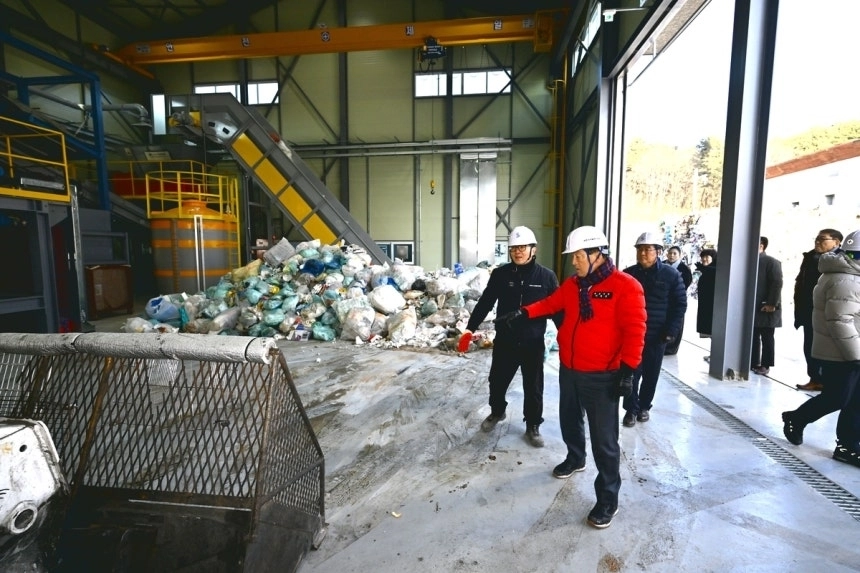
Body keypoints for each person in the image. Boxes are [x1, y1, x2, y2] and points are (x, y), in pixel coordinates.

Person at [513, 226, 646, 529]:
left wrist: (628, 371)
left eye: (577, 256)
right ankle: (576, 457)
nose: (573, 262)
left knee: (605, 441)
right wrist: (525, 312)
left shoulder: (625, 286)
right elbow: (551, 303)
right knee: (569, 420)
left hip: (602, 376)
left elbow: (636, 330)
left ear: (597, 254)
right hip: (570, 369)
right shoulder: (574, 286)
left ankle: (608, 499)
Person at [457, 226, 560, 448]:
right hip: (506, 341)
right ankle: (497, 411)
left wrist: (569, 337)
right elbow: (485, 302)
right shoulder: (501, 275)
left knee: (534, 387)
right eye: (513, 248)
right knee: (497, 381)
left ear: (533, 249)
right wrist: (469, 328)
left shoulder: (546, 277)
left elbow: (558, 310)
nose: (517, 252)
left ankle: (533, 424)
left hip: (533, 342)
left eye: (522, 247)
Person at [781, 229, 860, 468]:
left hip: (849, 349)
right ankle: (797, 418)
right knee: (839, 397)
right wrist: (856, 356)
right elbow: (840, 321)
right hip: (841, 352)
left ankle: (847, 446)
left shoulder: (850, 275)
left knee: (854, 400)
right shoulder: (845, 279)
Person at [621, 232, 687, 427]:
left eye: (648, 249)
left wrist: (671, 331)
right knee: (631, 374)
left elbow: (680, 305)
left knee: (651, 374)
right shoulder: (628, 275)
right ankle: (630, 410)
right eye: (640, 249)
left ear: (658, 251)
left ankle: (644, 407)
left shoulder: (671, 275)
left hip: (657, 335)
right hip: (632, 336)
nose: (643, 253)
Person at [793, 229, 843, 391]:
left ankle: (826, 381)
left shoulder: (841, 260)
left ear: (836, 242)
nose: (817, 242)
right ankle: (815, 378)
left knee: (826, 349)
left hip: (827, 313)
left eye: (822, 239)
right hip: (809, 310)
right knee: (810, 346)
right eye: (816, 238)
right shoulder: (810, 257)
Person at [751, 237, 783, 375]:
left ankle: (766, 364)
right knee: (752, 335)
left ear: (761, 246)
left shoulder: (771, 262)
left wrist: (771, 303)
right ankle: (753, 361)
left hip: (766, 306)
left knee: (767, 336)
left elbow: (777, 283)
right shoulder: (749, 261)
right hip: (752, 306)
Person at [663, 245, 693, 355]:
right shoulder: (662, 265)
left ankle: (672, 348)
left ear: (679, 255)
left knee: (676, 323)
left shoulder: (684, 269)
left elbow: (686, 283)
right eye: (670, 253)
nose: (672, 255)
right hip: (663, 300)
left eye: (674, 253)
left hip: (676, 300)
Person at [695, 248, 718, 340]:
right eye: (702, 257)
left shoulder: (717, 269)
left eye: (707, 256)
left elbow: (713, 271)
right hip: (705, 304)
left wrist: (703, 268)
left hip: (713, 306)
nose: (704, 259)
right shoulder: (704, 270)